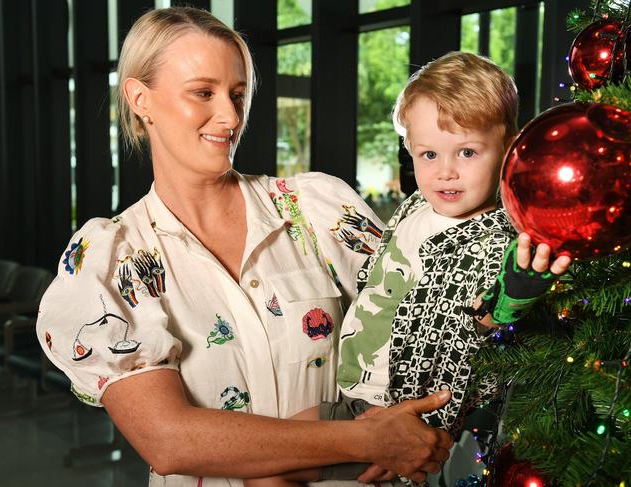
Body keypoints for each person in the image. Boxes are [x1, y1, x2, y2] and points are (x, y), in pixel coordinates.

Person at [35, 7, 455, 487]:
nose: (230, 116)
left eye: (238, 94)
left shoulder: (317, 210)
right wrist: (367, 442)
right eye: (203, 93)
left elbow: (423, 326)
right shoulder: (111, 261)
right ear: (140, 98)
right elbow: (169, 439)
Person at [244, 52, 572, 486]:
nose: (445, 172)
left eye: (468, 152)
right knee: (265, 454)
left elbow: (488, 324)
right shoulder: (417, 206)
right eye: (429, 154)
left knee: (273, 473)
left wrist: (512, 299)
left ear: (509, 148)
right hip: (357, 395)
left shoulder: (504, 234)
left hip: (422, 416)